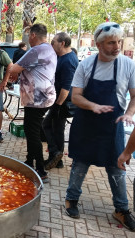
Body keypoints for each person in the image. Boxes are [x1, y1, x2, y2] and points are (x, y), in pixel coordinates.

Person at [63, 22, 135, 231]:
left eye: (119, 42)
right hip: (86, 123)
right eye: (111, 42)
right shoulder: (86, 65)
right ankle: (71, 199)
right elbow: (75, 97)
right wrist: (93, 106)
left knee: (117, 167)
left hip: (113, 126)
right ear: (99, 44)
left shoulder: (127, 64)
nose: (117, 46)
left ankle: (121, 209)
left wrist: (129, 113)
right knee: (80, 164)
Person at [8, 24, 57, 182]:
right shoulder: (49, 49)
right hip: (42, 97)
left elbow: (14, 68)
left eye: (29, 35)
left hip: (37, 99)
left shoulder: (37, 50)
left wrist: (6, 61)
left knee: (33, 133)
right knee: (31, 131)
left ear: (34, 35)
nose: (28, 38)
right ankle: (30, 162)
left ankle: (41, 170)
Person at [42, 32, 79, 170]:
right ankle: (57, 160)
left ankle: (55, 154)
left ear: (62, 43)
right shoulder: (62, 57)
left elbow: (66, 87)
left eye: (54, 42)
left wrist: (57, 105)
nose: (52, 44)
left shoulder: (69, 60)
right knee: (57, 129)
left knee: (47, 125)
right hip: (58, 100)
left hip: (62, 102)